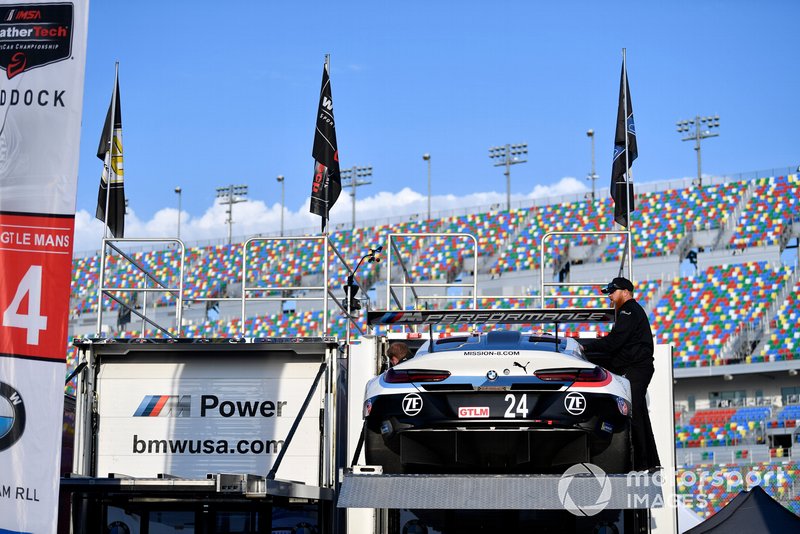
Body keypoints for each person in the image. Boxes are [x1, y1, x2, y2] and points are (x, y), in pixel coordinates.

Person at [582, 276, 661, 472]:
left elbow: (613, 343)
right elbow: (616, 345)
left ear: (625, 292)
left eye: (613, 291)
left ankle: (642, 463)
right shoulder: (629, 311)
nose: (609, 296)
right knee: (639, 413)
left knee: (634, 414)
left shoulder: (628, 310)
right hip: (635, 367)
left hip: (636, 369)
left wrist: (584, 347)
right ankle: (649, 463)